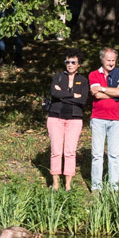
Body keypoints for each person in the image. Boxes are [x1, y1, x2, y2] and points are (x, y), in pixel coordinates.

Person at [44, 49, 89, 190]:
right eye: (67, 62)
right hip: (55, 117)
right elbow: (53, 93)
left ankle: (68, 184)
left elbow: (82, 100)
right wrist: (72, 95)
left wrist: (63, 95)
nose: (69, 65)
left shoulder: (83, 80)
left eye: (73, 62)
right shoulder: (58, 76)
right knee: (56, 151)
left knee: (70, 151)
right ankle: (55, 183)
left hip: (74, 119)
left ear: (79, 64)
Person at [87, 48, 119, 191]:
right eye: (108, 60)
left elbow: (118, 91)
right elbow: (96, 95)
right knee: (97, 155)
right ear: (102, 60)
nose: (111, 63)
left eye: (113, 60)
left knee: (114, 154)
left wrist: (103, 89)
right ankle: (96, 187)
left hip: (116, 119)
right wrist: (116, 94)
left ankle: (114, 187)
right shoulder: (93, 74)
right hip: (98, 118)